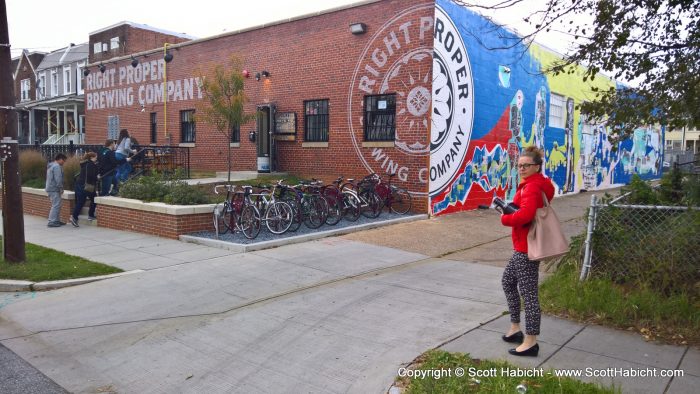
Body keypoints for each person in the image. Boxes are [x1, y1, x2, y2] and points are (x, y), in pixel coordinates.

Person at [499, 146, 554, 357]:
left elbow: (525, 216)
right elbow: (523, 208)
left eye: (526, 165)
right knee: (508, 281)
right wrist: (510, 205)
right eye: (519, 165)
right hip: (522, 246)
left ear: (537, 167)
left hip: (527, 247)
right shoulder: (531, 185)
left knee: (529, 294)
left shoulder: (532, 186)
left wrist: (505, 218)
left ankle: (531, 341)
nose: (521, 168)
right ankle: (515, 328)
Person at [70, 152, 99, 227]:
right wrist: (97, 178)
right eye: (95, 157)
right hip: (87, 186)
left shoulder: (84, 164)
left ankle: (75, 217)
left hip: (79, 184)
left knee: (80, 202)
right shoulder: (91, 165)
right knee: (94, 199)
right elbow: (91, 176)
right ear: (91, 157)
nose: (96, 158)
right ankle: (89, 215)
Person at [45, 153, 67, 227]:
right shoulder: (57, 167)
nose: (64, 162)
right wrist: (61, 188)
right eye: (64, 160)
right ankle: (52, 221)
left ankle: (56, 220)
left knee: (57, 204)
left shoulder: (51, 165)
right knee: (56, 205)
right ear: (60, 159)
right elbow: (58, 179)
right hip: (54, 188)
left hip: (51, 188)